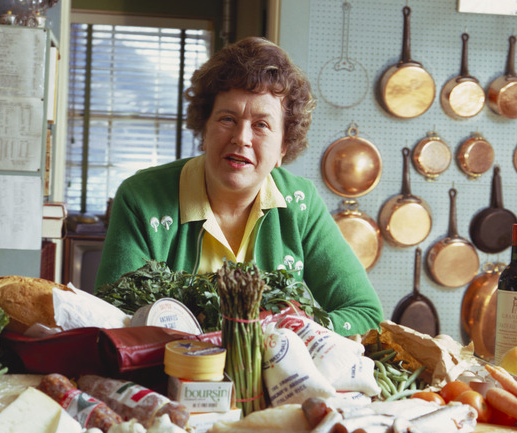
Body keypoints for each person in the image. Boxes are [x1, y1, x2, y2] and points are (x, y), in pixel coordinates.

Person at [95, 37, 384, 336]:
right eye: (227, 119)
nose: (241, 138)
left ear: (283, 146)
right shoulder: (141, 198)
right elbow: (112, 318)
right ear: (205, 130)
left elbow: (366, 314)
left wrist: (295, 331)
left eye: (261, 125)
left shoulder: (301, 204)